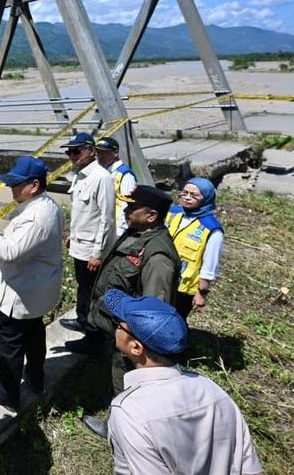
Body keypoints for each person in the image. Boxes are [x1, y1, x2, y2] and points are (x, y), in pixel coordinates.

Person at [103, 290, 264, 475]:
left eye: (118, 325)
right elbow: (251, 469)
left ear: (136, 347)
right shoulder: (212, 390)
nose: (114, 328)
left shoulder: (129, 412)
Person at [65, 185, 180, 438]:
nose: (126, 210)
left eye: (131, 207)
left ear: (151, 215)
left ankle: (122, 429)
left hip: (132, 337)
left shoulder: (158, 257)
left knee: (127, 380)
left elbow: (153, 312)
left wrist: (132, 342)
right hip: (118, 326)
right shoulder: (137, 232)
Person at [0, 157, 64, 410]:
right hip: (33, 291)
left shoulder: (37, 216)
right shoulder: (45, 205)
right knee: (34, 336)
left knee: (11, 345)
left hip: (18, 294)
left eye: (16, 185)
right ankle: (36, 380)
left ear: (34, 185)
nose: (11, 189)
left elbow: (11, 251)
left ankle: (8, 392)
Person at [58, 132, 116, 335]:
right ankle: (83, 320)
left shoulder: (101, 178)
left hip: (91, 249)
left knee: (92, 291)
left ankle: (92, 332)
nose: (73, 155)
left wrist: (98, 253)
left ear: (91, 151)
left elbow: (106, 219)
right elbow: (83, 212)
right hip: (80, 245)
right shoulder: (79, 175)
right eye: (70, 152)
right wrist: (72, 236)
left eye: (77, 150)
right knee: (84, 287)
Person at [165, 178, 224, 319]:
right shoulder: (172, 213)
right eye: (184, 193)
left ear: (206, 198)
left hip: (183, 288)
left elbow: (210, 265)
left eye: (194, 195)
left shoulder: (212, 229)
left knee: (174, 321)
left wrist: (201, 293)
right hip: (161, 276)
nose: (187, 198)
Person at [94, 137, 136, 236]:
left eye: (104, 153)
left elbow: (126, 204)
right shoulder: (102, 172)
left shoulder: (125, 175)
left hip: (117, 230)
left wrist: (120, 231)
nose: (100, 156)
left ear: (115, 153)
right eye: (98, 153)